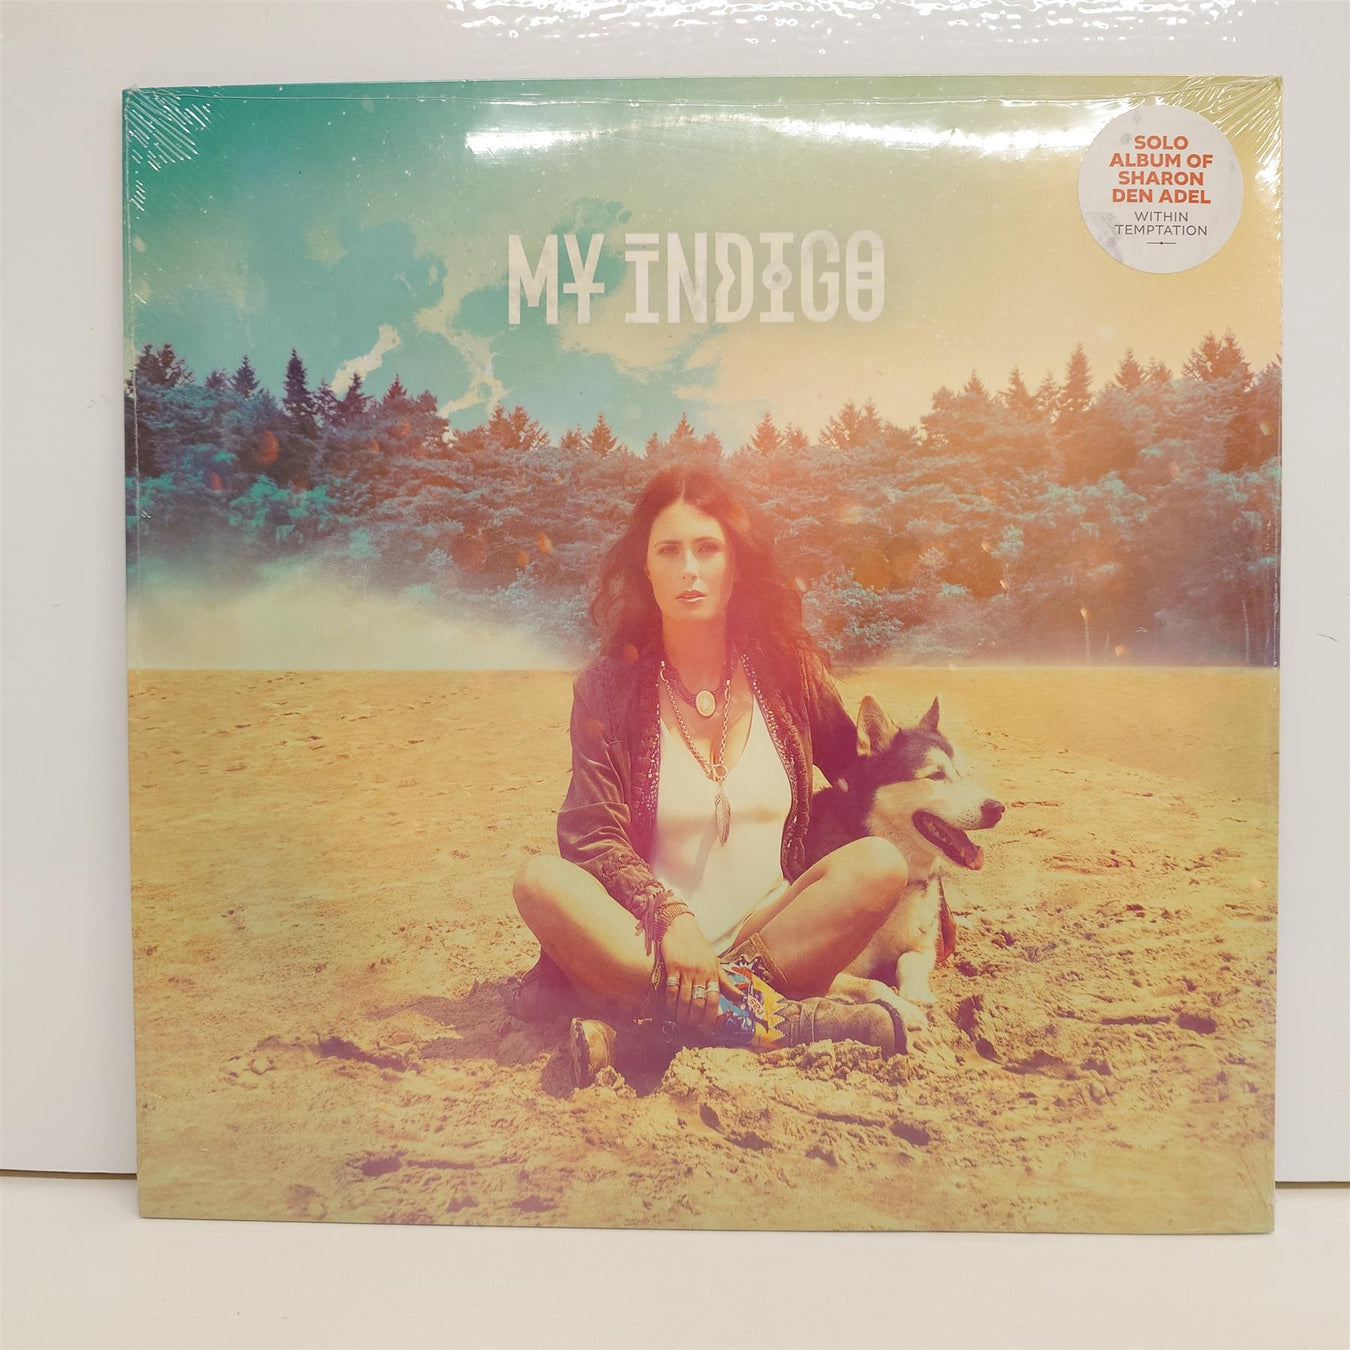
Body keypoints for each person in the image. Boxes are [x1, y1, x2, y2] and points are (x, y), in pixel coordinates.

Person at [512, 464, 911, 1081]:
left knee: (881, 864)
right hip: (647, 942)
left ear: (737, 565)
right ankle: (772, 1022)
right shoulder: (606, 689)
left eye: (707, 548)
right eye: (668, 551)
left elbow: (861, 776)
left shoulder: (788, 673)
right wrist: (671, 920)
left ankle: (662, 1030)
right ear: (645, 569)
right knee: (540, 882)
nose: (689, 570)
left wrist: (932, 803)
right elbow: (591, 834)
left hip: (770, 935)